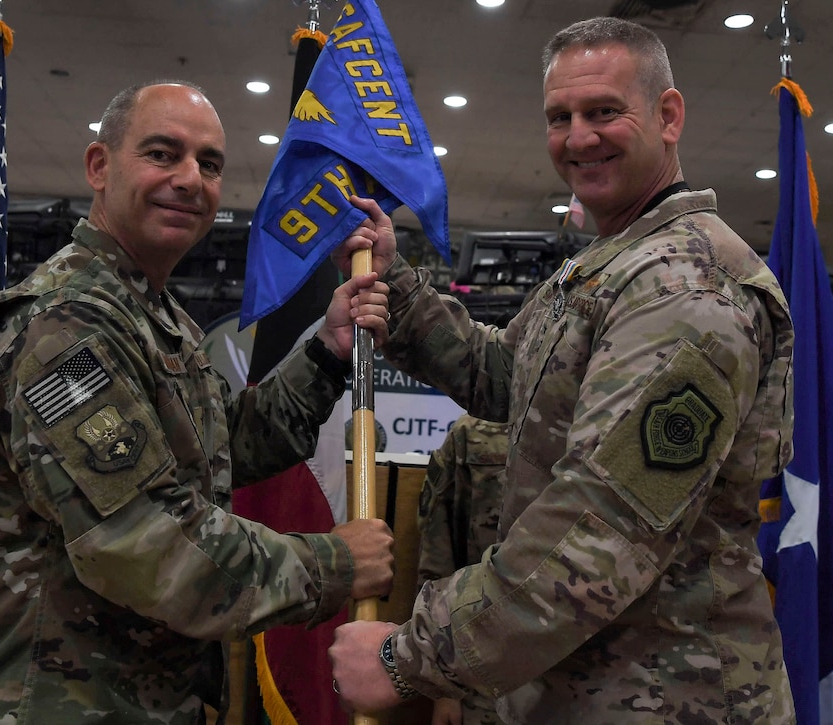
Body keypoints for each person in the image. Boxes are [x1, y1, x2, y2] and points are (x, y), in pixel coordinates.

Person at [328, 17, 796, 723]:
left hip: (670, 695)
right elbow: (505, 377)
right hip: (582, 686)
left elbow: (602, 529)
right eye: (560, 117)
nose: (578, 137)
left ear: (668, 117)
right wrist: (397, 286)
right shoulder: (610, 263)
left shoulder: (684, 286)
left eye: (604, 111)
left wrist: (411, 656)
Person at [0, 80, 396, 725]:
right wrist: (335, 563)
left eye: (209, 164)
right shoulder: (66, 327)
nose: (189, 179)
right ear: (100, 166)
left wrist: (328, 353)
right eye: (161, 153)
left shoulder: (149, 312)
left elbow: (215, 452)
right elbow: (147, 546)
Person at [416, 413, 508, 725]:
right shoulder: (474, 434)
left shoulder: (618, 420)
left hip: (596, 683)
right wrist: (444, 688)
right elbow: (439, 562)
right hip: (483, 677)